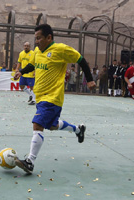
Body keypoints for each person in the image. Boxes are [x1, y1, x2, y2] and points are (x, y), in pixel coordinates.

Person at [13, 24, 96, 174]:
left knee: (37, 124)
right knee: (52, 125)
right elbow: (33, 64)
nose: (36, 41)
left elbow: (81, 60)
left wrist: (89, 79)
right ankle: (78, 130)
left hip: (52, 97)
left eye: (39, 38)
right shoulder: (38, 51)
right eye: (35, 38)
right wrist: (21, 72)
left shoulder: (60, 49)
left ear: (49, 37)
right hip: (40, 97)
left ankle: (30, 161)